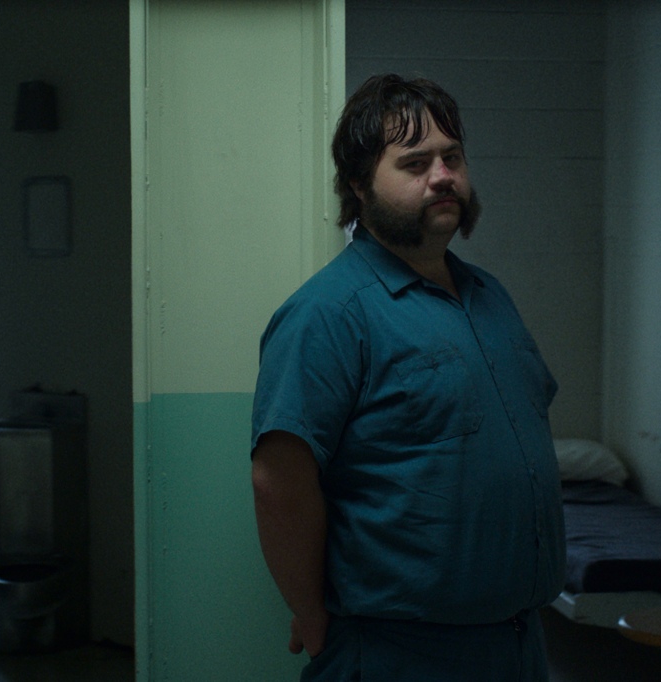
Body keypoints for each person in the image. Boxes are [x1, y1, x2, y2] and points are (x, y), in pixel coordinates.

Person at [250, 74, 565, 681]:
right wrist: (308, 610)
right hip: (401, 655)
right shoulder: (329, 314)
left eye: (452, 157)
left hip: (518, 647)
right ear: (358, 187)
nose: (442, 176)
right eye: (415, 163)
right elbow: (277, 482)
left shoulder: (490, 297)